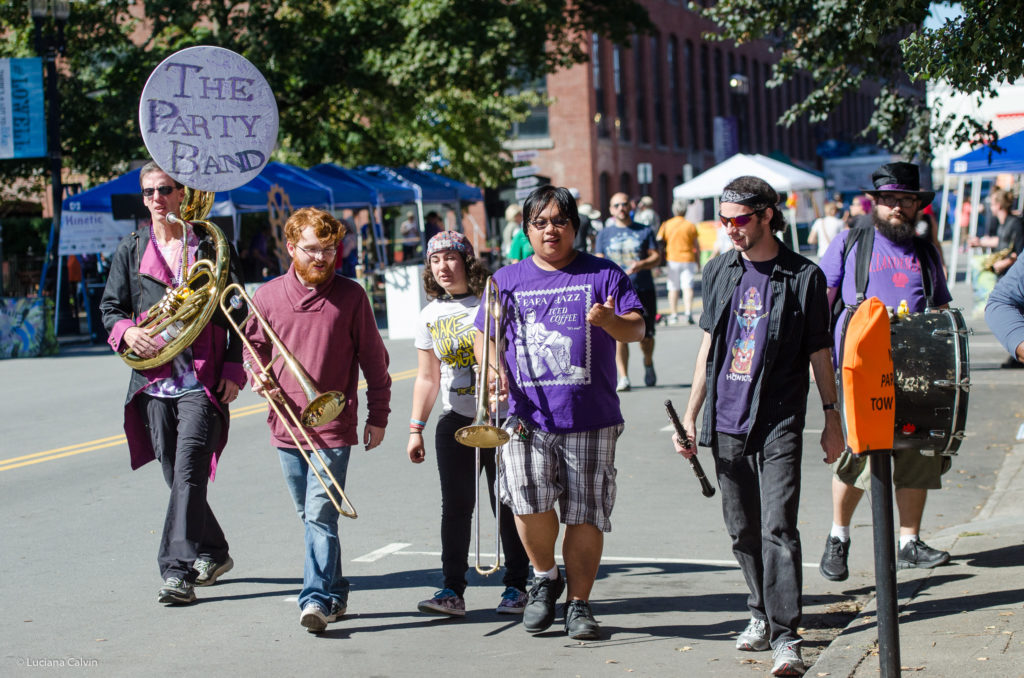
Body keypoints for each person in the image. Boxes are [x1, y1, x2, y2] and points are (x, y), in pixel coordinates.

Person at [672, 176, 845, 677]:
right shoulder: (719, 270)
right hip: (726, 417)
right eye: (723, 221)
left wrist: (832, 418)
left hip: (781, 417)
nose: (730, 230)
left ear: (769, 214)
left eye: (739, 220)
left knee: (778, 525)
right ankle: (759, 612)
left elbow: (819, 351)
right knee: (742, 528)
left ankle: (787, 635)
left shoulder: (804, 276)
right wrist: (690, 415)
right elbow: (710, 349)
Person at [475, 185, 644, 641]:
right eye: (541, 222)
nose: (552, 229)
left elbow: (637, 327)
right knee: (528, 501)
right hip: (525, 416)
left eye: (560, 221)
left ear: (575, 226)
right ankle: (545, 577)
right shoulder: (505, 280)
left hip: (591, 416)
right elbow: (484, 333)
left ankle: (580, 605)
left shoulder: (605, 274)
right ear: (527, 228)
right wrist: (492, 368)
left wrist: (610, 322)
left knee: (585, 513)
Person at [100, 161, 245, 605]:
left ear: (183, 193)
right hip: (153, 379)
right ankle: (215, 551)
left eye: (165, 189)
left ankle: (176, 571)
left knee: (188, 471)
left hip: (200, 379)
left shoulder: (211, 245)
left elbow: (237, 310)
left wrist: (234, 370)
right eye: (148, 192)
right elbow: (110, 308)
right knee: (175, 473)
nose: (157, 199)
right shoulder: (131, 248)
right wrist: (128, 331)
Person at [244, 207, 392, 633]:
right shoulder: (269, 295)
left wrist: (378, 415)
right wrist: (258, 376)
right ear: (291, 248)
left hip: (333, 423)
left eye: (329, 249)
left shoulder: (352, 295)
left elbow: (375, 363)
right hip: (286, 423)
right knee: (310, 517)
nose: (322, 258)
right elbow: (252, 349)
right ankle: (337, 588)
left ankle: (316, 599)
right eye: (311, 249)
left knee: (320, 516)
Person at [817, 161, 954, 587]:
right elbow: (821, 302)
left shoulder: (925, 251)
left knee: (916, 450)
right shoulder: (850, 241)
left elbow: (942, 308)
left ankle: (908, 541)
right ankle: (838, 537)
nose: (898, 207)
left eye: (906, 200)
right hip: (860, 368)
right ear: (875, 203)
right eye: (890, 199)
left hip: (916, 366)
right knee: (858, 453)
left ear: (917, 205)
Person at [407, 231, 530, 617]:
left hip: (503, 417)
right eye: (435, 260)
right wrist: (416, 428)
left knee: (506, 502)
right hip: (457, 420)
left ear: (467, 260)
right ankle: (451, 589)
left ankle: (516, 586)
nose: (443, 267)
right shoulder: (429, 315)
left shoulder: (491, 301)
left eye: (450, 258)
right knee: (456, 507)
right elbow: (427, 378)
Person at [595, 191, 660, 391]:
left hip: (642, 288)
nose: (621, 208)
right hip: (615, 293)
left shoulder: (644, 230)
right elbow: (599, 260)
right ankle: (624, 377)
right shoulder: (604, 234)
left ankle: (648, 362)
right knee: (619, 333)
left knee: (646, 336)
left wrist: (641, 264)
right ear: (610, 210)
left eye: (624, 204)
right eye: (616, 205)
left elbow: (657, 257)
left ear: (630, 207)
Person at [969, 189, 1024, 367]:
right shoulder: (1003, 224)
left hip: (1007, 268)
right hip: (1006, 275)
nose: (990, 207)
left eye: (992, 203)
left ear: (998, 205)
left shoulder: (1015, 223)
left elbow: (1016, 250)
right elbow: (1001, 301)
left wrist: (1005, 262)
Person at [656, 199, 701, 324]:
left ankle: (674, 314)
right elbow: (696, 246)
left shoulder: (667, 224)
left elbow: (659, 239)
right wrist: (698, 262)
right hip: (688, 258)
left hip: (672, 259)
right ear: (685, 211)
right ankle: (688, 312)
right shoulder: (690, 225)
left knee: (673, 288)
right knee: (688, 287)